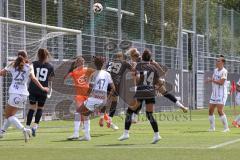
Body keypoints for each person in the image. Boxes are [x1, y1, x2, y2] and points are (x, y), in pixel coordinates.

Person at [0, 50, 49, 142]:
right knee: (10, 115)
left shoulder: (13, 64)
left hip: (15, 93)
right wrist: (42, 88)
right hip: (24, 95)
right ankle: (2, 132)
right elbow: (34, 79)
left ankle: (24, 129)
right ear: (26, 57)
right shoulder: (29, 66)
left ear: (17, 56)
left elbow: (1, 73)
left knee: (8, 115)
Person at [118, 49, 161, 144]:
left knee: (129, 111)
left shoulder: (138, 65)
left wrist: (134, 77)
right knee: (149, 114)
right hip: (150, 91)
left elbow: (137, 79)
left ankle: (126, 133)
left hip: (141, 91)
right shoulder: (153, 67)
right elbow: (158, 80)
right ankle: (157, 135)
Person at [78, 56, 115, 141]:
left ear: (95, 64)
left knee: (79, 111)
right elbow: (113, 88)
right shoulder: (107, 74)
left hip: (95, 98)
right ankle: (87, 134)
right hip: (104, 98)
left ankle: (86, 135)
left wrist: (87, 97)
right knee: (85, 113)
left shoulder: (93, 74)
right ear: (103, 64)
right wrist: (108, 98)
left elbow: (90, 89)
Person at [101, 52, 133, 130]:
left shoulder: (109, 62)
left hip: (105, 82)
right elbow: (133, 69)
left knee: (105, 101)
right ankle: (110, 120)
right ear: (121, 57)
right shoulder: (124, 62)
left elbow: (104, 71)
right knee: (115, 101)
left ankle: (104, 118)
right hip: (115, 83)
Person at [26, 48, 55, 137]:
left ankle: (27, 127)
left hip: (33, 89)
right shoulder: (50, 66)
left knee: (32, 108)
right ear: (47, 55)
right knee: (40, 108)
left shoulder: (33, 64)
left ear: (38, 55)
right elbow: (50, 80)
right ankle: (35, 126)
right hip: (43, 89)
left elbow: (29, 75)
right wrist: (50, 89)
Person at [65, 57, 95, 140]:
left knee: (85, 114)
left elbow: (97, 72)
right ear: (77, 63)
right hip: (80, 95)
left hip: (87, 95)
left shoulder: (88, 70)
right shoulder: (74, 72)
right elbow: (66, 77)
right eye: (80, 62)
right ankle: (77, 133)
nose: (82, 63)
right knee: (79, 113)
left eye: (83, 62)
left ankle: (86, 134)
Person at [206, 55, 229, 132]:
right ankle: (212, 128)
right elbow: (214, 79)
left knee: (219, 110)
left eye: (218, 61)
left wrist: (212, 81)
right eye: (217, 61)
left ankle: (226, 128)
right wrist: (210, 80)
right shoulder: (215, 70)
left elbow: (221, 82)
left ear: (222, 62)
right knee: (210, 110)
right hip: (214, 94)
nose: (217, 62)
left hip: (221, 94)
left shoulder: (224, 71)